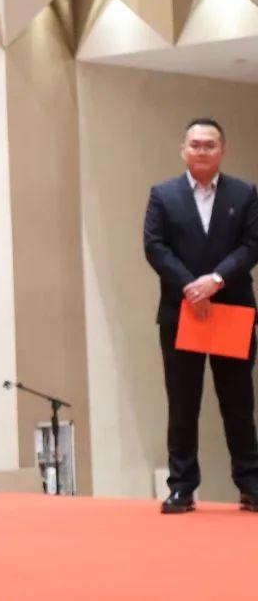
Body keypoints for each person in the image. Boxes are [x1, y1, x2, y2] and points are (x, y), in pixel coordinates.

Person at [143, 117, 258, 514]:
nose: (202, 150)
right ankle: (182, 487)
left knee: (238, 403)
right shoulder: (163, 194)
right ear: (183, 150)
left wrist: (215, 280)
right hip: (182, 311)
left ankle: (251, 484)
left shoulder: (245, 193)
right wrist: (191, 287)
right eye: (195, 144)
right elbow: (155, 246)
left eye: (210, 144)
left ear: (222, 150)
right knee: (182, 402)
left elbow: (252, 245)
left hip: (231, 309)